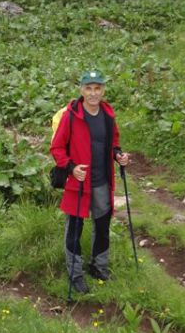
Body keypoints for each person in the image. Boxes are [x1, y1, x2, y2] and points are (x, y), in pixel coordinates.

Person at [50, 69, 131, 295]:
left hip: (102, 181)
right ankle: (75, 274)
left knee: (103, 225)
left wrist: (119, 155)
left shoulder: (107, 115)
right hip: (79, 182)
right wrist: (71, 168)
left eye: (97, 88)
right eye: (89, 88)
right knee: (74, 228)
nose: (93, 93)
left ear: (103, 90)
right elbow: (56, 148)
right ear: (81, 90)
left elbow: (113, 142)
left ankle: (99, 267)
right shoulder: (71, 116)